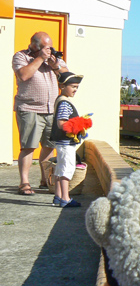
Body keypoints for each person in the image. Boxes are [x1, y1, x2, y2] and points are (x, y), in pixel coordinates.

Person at [12, 32, 68, 196]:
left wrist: (55, 66)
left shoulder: (54, 57)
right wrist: (40, 59)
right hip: (30, 109)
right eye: (45, 48)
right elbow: (23, 75)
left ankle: (46, 180)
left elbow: (66, 76)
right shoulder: (21, 56)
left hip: (51, 109)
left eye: (50, 47)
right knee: (28, 147)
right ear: (35, 46)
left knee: (50, 146)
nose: (49, 51)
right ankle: (24, 183)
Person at [50, 72, 84, 208]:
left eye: (77, 87)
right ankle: (66, 198)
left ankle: (58, 196)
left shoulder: (61, 100)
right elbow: (62, 123)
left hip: (61, 143)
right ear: (62, 86)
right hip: (66, 143)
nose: (75, 89)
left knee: (59, 168)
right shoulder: (65, 103)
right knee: (67, 169)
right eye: (73, 86)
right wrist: (79, 126)